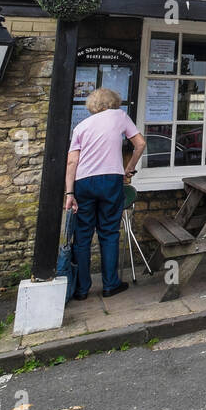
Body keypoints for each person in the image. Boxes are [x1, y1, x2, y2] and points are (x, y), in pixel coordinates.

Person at [64, 88, 146, 300]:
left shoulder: (81, 126)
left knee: (81, 236)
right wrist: (128, 169)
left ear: (93, 105)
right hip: (110, 179)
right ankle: (110, 284)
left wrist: (69, 193)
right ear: (114, 102)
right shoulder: (119, 116)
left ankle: (82, 289)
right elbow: (140, 144)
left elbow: (72, 161)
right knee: (109, 232)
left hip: (83, 181)